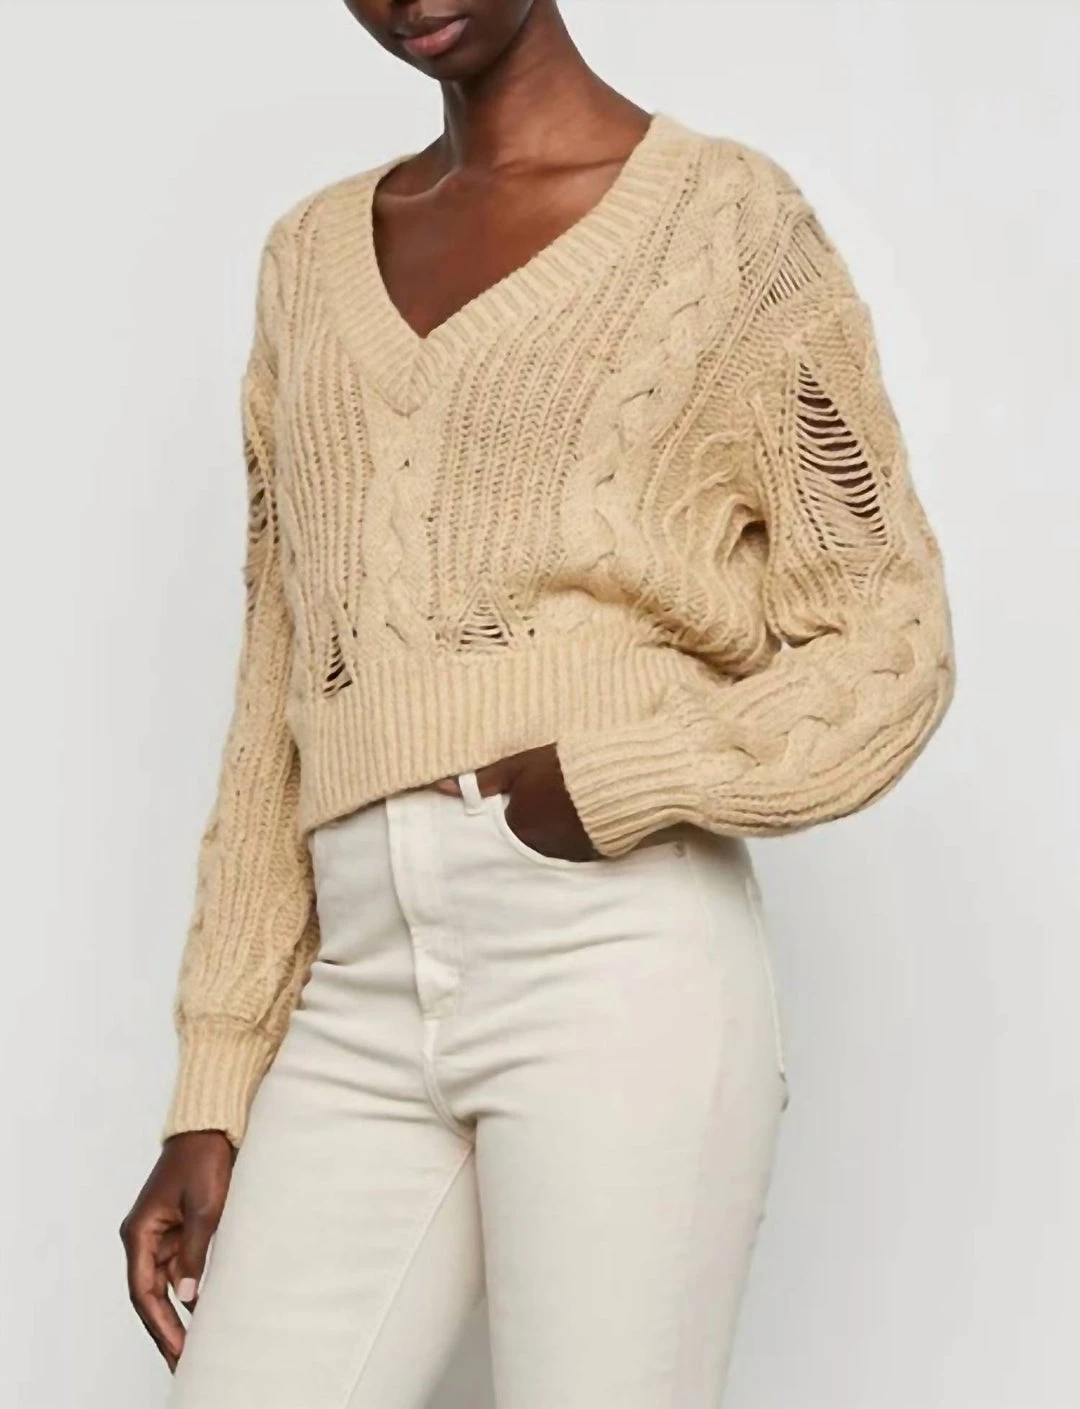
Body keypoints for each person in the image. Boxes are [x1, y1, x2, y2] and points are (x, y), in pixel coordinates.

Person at [119, 2, 956, 1405]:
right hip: (357, 984)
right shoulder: (307, 260)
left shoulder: (728, 225)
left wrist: (611, 782)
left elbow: (890, 637)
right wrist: (213, 1085)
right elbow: (278, 687)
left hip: (613, 957)